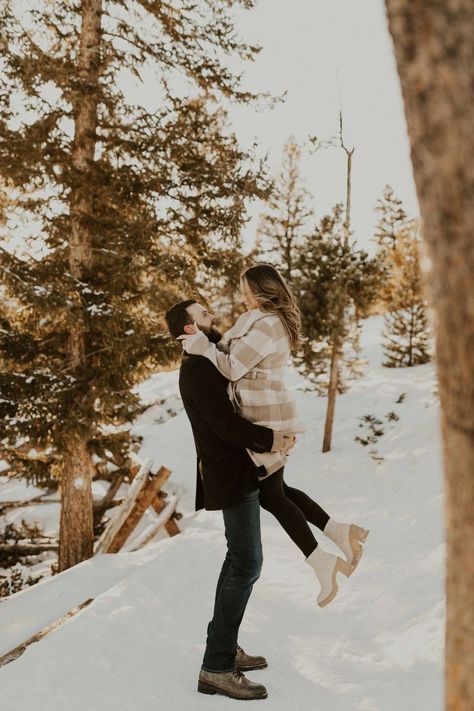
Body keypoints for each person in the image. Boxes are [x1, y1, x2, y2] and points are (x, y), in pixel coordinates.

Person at [179, 264, 369, 609]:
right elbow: (229, 350)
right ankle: (337, 539)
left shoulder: (268, 324)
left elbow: (233, 365)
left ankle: (326, 556)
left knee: (272, 495)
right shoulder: (256, 321)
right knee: (274, 491)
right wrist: (207, 344)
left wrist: (203, 349)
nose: (242, 297)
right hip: (261, 412)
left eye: (246, 290)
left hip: (265, 415)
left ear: (261, 290)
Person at [165, 299, 295, 702]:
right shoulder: (199, 367)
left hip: (236, 470)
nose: (211, 318)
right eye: (203, 315)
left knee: (237, 559)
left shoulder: (207, 360)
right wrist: (270, 438)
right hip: (229, 473)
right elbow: (224, 424)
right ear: (189, 330)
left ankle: (223, 647)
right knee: (247, 563)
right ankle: (216, 668)